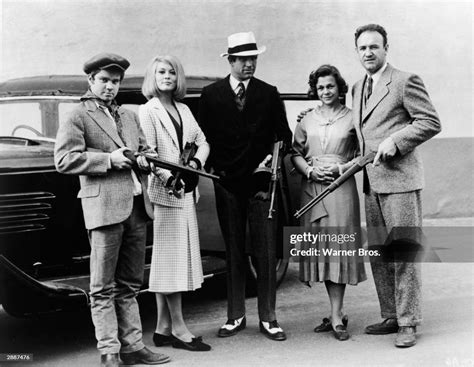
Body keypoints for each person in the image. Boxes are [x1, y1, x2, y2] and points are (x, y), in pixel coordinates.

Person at [54, 53, 170, 366]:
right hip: (104, 209)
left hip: (135, 207)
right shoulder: (78, 114)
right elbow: (64, 160)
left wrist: (147, 161)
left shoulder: (129, 116)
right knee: (102, 286)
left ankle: (132, 347)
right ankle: (109, 352)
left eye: (115, 82)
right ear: (91, 80)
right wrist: (108, 160)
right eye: (104, 80)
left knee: (130, 284)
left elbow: (145, 152)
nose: (110, 87)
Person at [199, 32, 292, 341]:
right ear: (231, 61)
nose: (250, 64)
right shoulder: (211, 95)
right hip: (227, 183)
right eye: (244, 59)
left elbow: (284, 135)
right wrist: (214, 168)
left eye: (254, 59)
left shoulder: (268, 93)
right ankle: (235, 315)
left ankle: (269, 317)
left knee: (265, 252)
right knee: (234, 251)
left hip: (261, 184)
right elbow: (203, 138)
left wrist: (270, 161)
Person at [352, 24, 441, 347]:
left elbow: (430, 121)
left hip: (400, 181)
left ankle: (408, 322)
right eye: (363, 48)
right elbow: (359, 132)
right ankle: (391, 314)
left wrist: (397, 141)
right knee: (379, 253)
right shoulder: (356, 87)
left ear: (386, 47)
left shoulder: (405, 81)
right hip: (371, 183)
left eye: (374, 47)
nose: (368, 53)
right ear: (357, 52)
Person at [138, 55, 211, 352]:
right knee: (171, 262)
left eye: (171, 72)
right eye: (160, 72)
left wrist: (194, 164)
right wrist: (172, 179)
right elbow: (150, 153)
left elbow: (203, 141)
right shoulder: (147, 111)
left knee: (169, 261)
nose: (166, 76)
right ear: (152, 76)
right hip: (166, 193)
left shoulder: (183, 109)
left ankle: (162, 329)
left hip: (184, 190)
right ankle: (180, 329)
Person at [291, 65, 366, 341]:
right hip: (311, 188)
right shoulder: (306, 118)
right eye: (321, 87)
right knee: (321, 250)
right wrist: (309, 171)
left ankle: (336, 315)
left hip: (340, 187)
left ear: (339, 88)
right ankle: (336, 311)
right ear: (315, 90)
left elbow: (362, 155)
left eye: (330, 86)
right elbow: (295, 153)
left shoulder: (353, 118)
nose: (325, 91)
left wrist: (339, 169)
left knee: (338, 249)